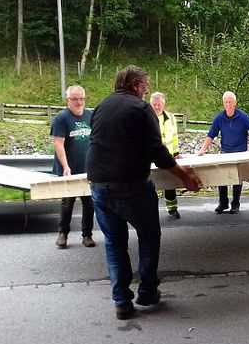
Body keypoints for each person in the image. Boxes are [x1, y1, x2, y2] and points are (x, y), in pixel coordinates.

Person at [87, 65, 202, 320]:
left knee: (114, 243)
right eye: (145, 85)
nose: (147, 90)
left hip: (98, 186)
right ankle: (148, 291)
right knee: (149, 236)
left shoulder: (101, 106)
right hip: (131, 186)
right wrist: (185, 177)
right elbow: (158, 152)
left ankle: (121, 302)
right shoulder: (141, 109)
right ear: (136, 85)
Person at [198, 91, 249, 214]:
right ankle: (223, 203)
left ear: (235, 103)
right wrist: (203, 149)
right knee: (221, 178)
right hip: (225, 152)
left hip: (240, 152)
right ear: (223, 103)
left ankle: (235, 204)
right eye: (226, 102)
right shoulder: (219, 118)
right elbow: (211, 134)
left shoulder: (242, 116)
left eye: (230, 102)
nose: (228, 104)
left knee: (237, 179)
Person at [51, 85, 95, 249]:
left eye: (81, 98)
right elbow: (58, 144)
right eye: (75, 99)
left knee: (89, 203)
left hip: (87, 168)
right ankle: (63, 233)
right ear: (67, 100)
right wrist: (65, 166)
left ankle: (87, 235)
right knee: (67, 202)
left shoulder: (90, 115)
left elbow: (97, 139)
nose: (79, 102)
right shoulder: (61, 118)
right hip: (68, 168)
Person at [149, 91, 182, 219]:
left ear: (164, 104)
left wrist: (176, 152)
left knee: (170, 183)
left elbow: (174, 137)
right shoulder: (146, 117)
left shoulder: (171, 117)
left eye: (159, 104)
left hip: (166, 157)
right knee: (151, 185)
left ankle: (172, 208)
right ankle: (151, 211)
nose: (157, 107)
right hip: (149, 157)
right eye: (154, 104)